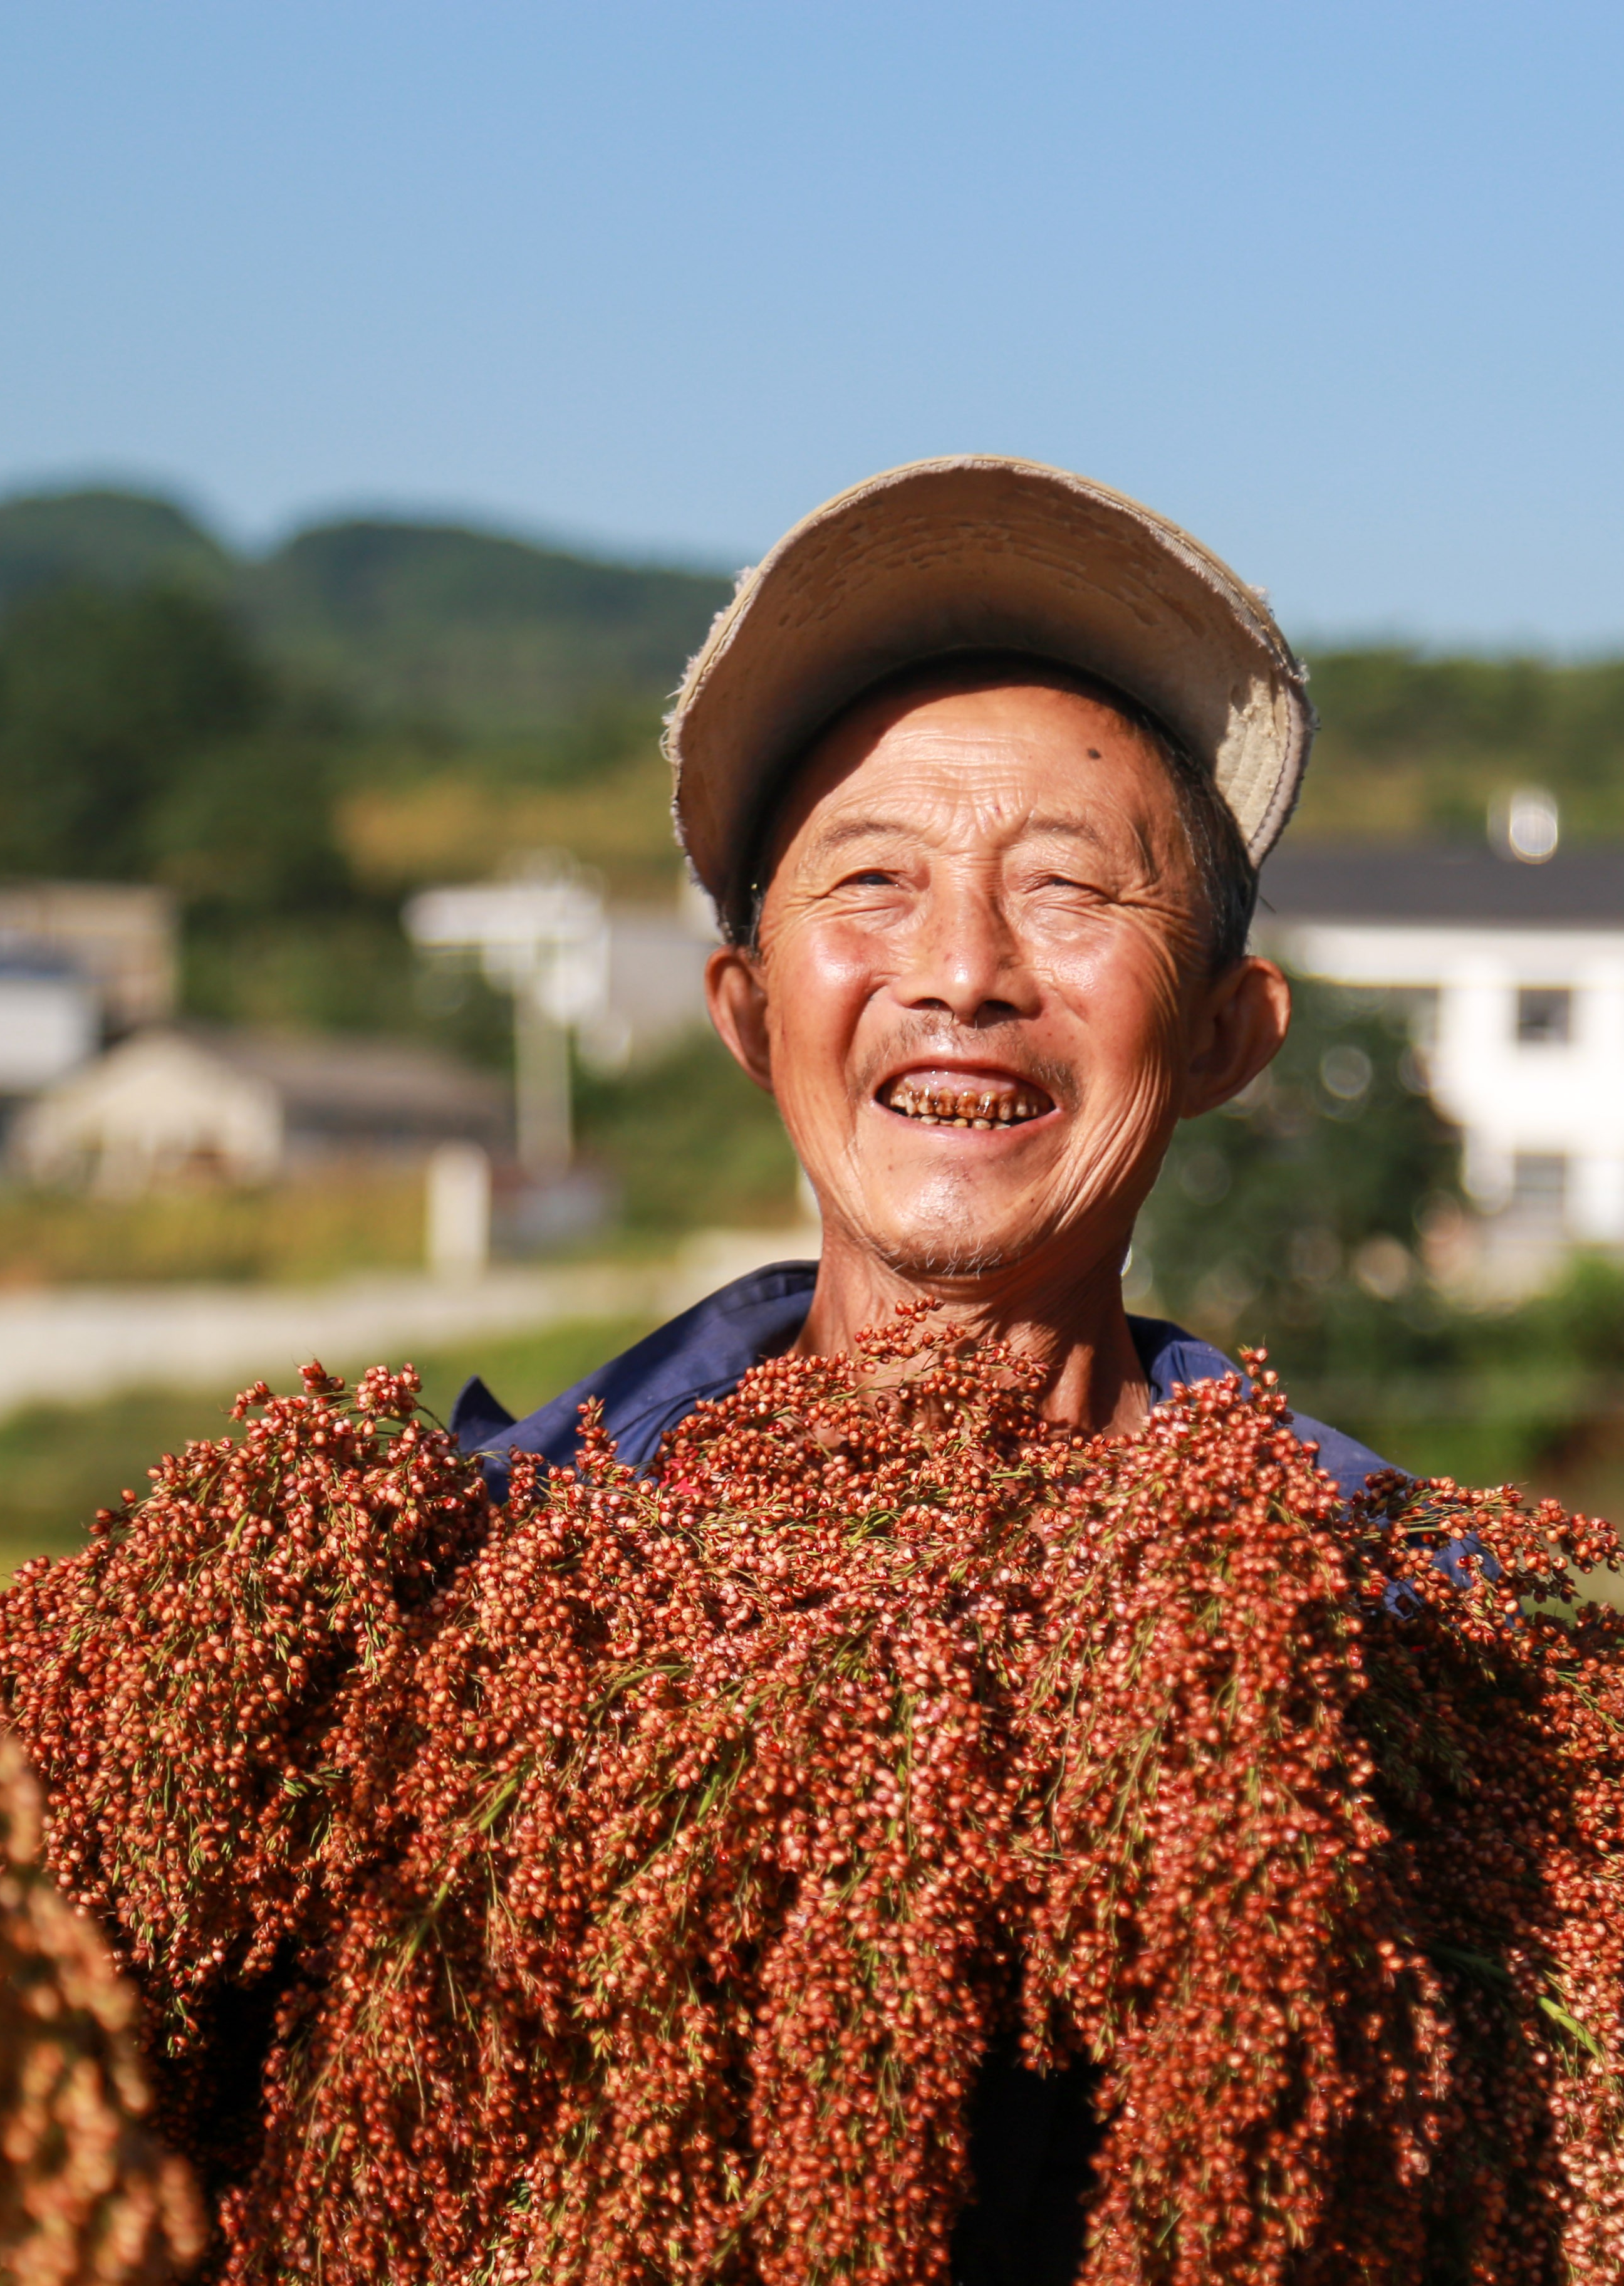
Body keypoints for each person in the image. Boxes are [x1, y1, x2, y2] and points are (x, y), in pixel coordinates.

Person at [444, 456, 1393, 2280]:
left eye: (1064, 893)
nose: (961, 972)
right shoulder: (467, 1579)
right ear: (748, 1013)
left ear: (1220, 1033)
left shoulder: (1399, 1638)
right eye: (872, 882)